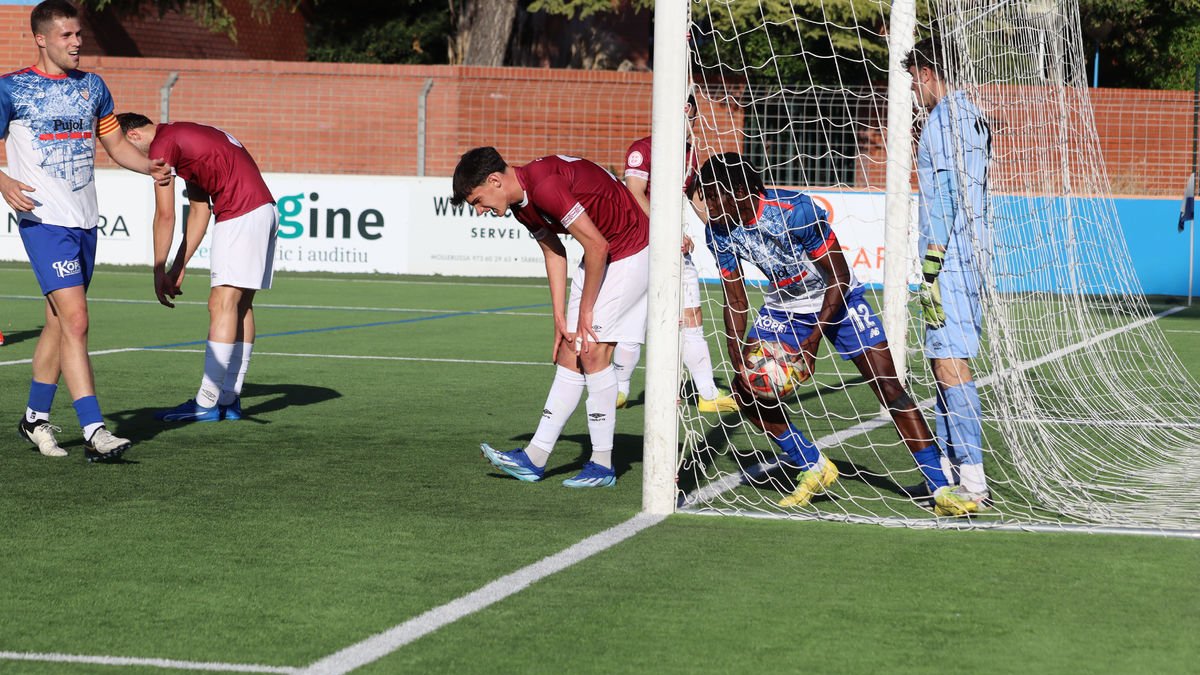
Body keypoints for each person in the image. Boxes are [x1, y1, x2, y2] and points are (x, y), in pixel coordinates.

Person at [695, 152, 978, 516]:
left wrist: (812, 342)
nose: (709, 205)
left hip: (838, 298)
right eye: (705, 197)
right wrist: (736, 352)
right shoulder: (717, 229)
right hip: (785, 306)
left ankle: (940, 487)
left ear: (737, 189)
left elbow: (839, 277)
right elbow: (734, 297)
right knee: (743, 389)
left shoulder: (794, 211)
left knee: (888, 387)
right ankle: (812, 465)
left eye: (715, 196)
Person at [2, 0, 169, 462]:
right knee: (77, 320)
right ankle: (96, 430)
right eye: (66, 36)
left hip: (84, 222)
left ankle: (35, 418)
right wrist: (3, 180)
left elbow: (115, 143)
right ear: (40, 38)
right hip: (43, 221)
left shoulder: (93, 87)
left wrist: (150, 168)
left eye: (79, 35)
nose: (77, 43)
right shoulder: (11, 88)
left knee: (58, 323)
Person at [451, 147, 649, 488]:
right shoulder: (521, 206)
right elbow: (554, 252)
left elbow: (597, 246)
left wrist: (586, 309)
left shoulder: (544, 188)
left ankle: (602, 464)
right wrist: (560, 318)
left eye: (478, 201)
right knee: (570, 352)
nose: (481, 211)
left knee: (592, 349)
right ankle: (534, 457)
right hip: (605, 250)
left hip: (633, 248)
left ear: (495, 180)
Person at [117, 113, 278, 423]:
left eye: (122, 148)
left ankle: (206, 402)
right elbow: (199, 212)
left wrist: (157, 270)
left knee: (221, 304)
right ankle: (229, 399)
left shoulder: (162, 148)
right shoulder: (181, 137)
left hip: (241, 213)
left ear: (133, 136)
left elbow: (166, 215)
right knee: (240, 306)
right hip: (263, 210)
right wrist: (179, 264)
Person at [903, 36, 992, 508]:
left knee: (950, 364)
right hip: (970, 256)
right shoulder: (972, 115)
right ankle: (946, 475)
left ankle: (973, 484)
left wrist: (933, 258)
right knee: (942, 366)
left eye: (914, 78)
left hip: (951, 260)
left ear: (927, 72)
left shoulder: (944, 120)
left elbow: (949, 191)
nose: (914, 90)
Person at [615, 94, 737, 414]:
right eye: (685, 117)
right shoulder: (643, 150)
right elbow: (633, 193)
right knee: (633, 318)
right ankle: (620, 389)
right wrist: (667, 233)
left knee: (692, 319)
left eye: (692, 119)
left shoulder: (690, 153)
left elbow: (694, 194)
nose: (689, 126)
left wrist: (719, 226)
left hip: (674, 248)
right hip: (638, 246)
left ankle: (708, 393)